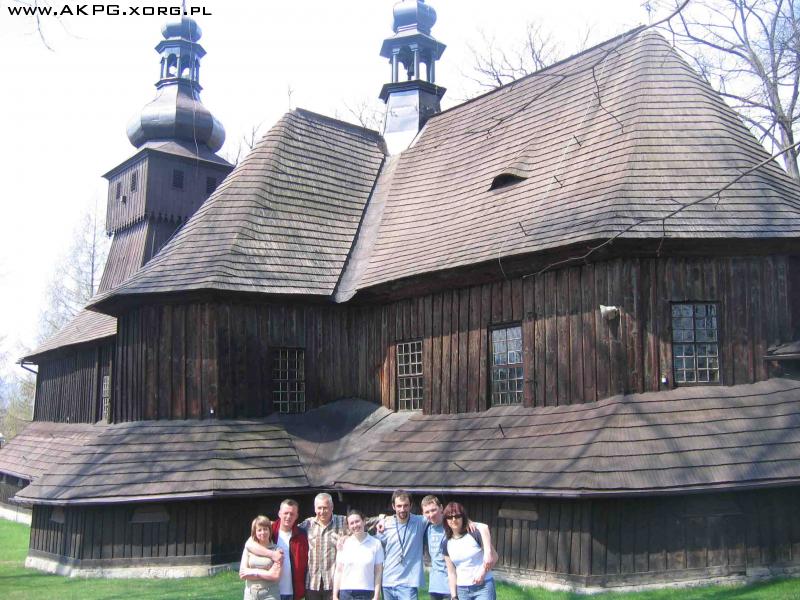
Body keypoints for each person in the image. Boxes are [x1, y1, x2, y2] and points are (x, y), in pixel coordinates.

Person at [245, 499, 310, 600]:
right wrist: (271, 554)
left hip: (293, 592)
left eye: (292, 514)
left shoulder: (302, 535)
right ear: (279, 513)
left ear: (296, 516)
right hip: (270, 591)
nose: (288, 516)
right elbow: (249, 544)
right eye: (286, 513)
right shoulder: (270, 530)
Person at [376, 489, 428, 600]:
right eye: (399, 506)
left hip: (408, 584)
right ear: (393, 506)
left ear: (411, 505)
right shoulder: (385, 525)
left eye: (405, 505)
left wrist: (466, 523)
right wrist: (382, 518)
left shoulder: (420, 522)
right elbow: (372, 543)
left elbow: (438, 516)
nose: (402, 509)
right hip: (387, 582)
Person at [441, 502, 495, 600]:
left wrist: (482, 572)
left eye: (457, 516)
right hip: (462, 590)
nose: (454, 520)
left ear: (463, 517)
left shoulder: (475, 534)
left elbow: (494, 557)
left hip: (483, 586)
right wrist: (454, 596)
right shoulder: (446, 543)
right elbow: (451, 572)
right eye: (450, 517)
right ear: (446, 520)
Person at [332, 509, 384, 600]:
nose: (355, 525)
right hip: (346, 593)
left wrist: (376, 595)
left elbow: (378, 572)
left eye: (357, 521)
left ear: (364, 521)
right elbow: (339, 571)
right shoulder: (343, 544)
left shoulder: (376, 544)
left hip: (367, 592)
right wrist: (335, 595)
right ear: (348, 526)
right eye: (351, 523)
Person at [240, 516, 283, 600]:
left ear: (270, 531)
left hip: (270, 594)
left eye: (265, 529)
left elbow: (275, 576)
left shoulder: (277, 550)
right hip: (250, 594)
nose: (262, 532)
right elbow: (242, 574)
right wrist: (266, 573)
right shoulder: (248, 548)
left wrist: (252, 572)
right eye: (259, 530)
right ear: (255, 532)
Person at [419, 496, 449, 600]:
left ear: (441, 508)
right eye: (427, 512)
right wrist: (383, 518)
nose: (431, 515)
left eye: (433, 510)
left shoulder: (452, 525)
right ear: (423, 513)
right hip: (435, 585)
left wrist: (468, 521)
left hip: (453, 584)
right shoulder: (426, 528)